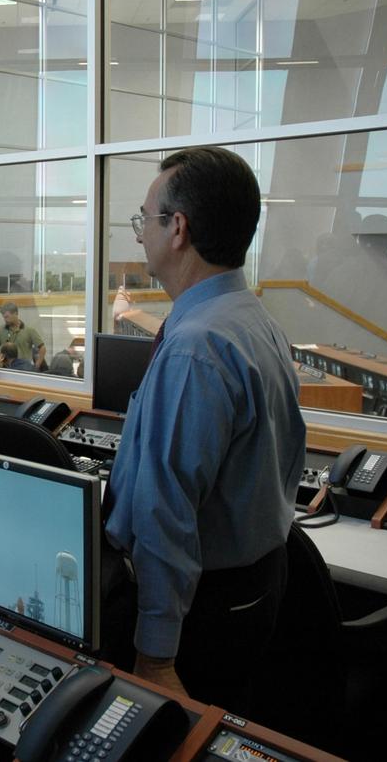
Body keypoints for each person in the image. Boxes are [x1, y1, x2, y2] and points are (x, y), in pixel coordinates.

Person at [102, 146, 305, 716]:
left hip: (198, 610)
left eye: (144, 219)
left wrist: (155, 655)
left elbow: (165, 511)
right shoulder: (253, 319)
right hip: (253, 586)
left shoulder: (195, 347)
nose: (139, 233)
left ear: (178, 229)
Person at [0, 301, 45, 369]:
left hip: (24, 369)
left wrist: (37, 365)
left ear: (15, 313)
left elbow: (42, 348)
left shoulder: (30, 331)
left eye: (7, 317)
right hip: (5, 369)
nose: (5, 320)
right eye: (4, 317)